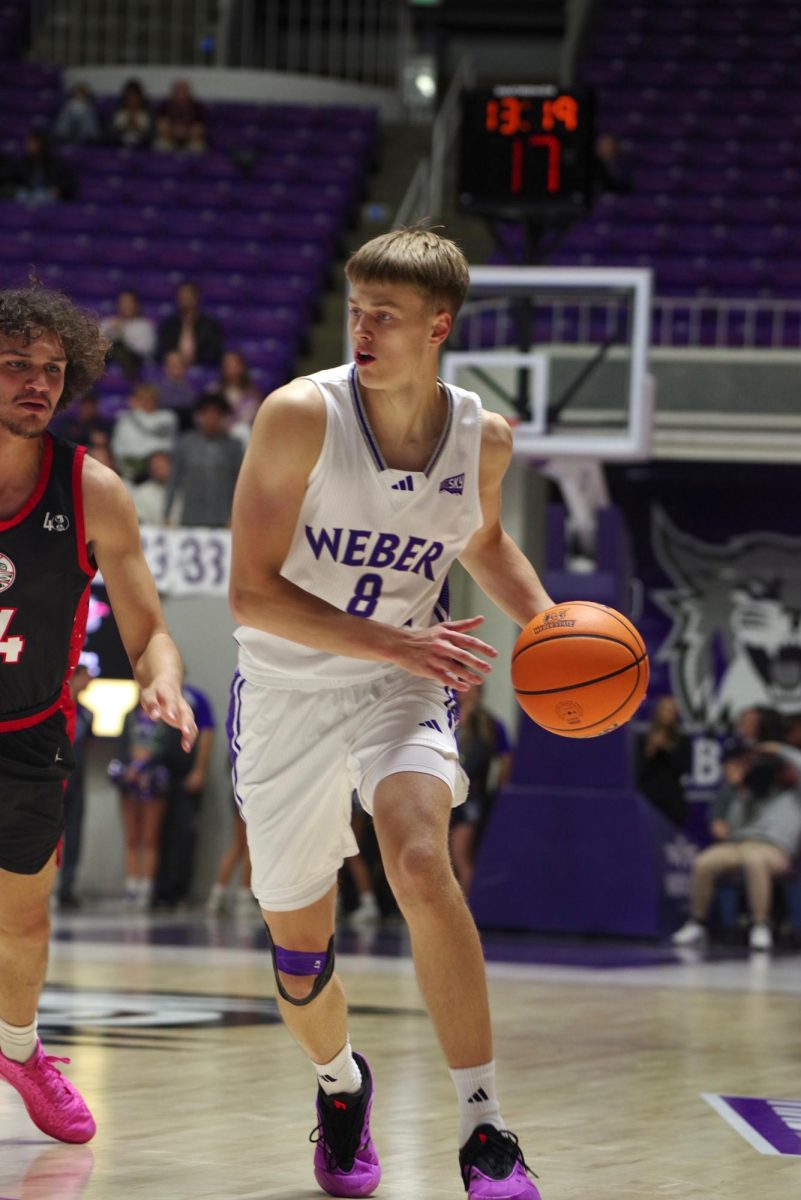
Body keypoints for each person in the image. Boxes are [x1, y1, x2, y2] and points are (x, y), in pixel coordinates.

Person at [228, 227, 552, 1199]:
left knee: (419, 858)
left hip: (400, 684)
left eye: (388, 316)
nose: (362, 329)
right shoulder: (298, 416)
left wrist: (551, 625)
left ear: (439, 326)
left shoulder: (481, 438)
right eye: (356, 308)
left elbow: (483, 540)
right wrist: (405, 640)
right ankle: (340, 1084)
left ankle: (486, 1125)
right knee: (298, 958)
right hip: (287, 691)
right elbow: (249, 595)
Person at [0, 283, 196, 1144]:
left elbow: (149, 627)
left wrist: (160, 677)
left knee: (26, 917)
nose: (36, 384)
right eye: (14, 367)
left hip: (30, 730)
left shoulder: (94, 490)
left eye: (50, 370)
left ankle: (18, 1049)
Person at [672, 729, 801, 953]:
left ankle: (760, 925)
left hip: (775, 848)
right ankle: (697, 923)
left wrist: (778, 750)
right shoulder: (754, 793)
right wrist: (738, 787)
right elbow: (732, 827)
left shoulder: (795, 796)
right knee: (706, 861)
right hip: (741, 843)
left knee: (754, 860)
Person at [108, 698, 177, 909]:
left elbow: (168, 749)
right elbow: (121, 745)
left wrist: (147, 766)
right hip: (129, 781)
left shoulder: (166, 718)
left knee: (149, 837)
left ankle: (146, 888)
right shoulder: (130, 716)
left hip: (154, 781)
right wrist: (130, 769)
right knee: (132, 836)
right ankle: (131, 886)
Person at [153, 679, 216, 909]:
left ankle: (179, 890)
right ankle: (158, 891)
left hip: (185, 776)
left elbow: (208, 732)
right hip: (159, 779)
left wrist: (199, 770)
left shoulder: (195, 698)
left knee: (183, 834)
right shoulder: (154, 694)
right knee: (158, 836)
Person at [450, 682, 514, 898]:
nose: (466, 692)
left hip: (472, 796)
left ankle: (464, 906)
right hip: (444, 794)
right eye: (462, 687)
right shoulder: (448, 717)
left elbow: (506, 759)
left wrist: (499, 790)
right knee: (441, 856)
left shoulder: (490, 724)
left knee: (461, 854)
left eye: (471, 688)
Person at [164, 392, 243, 528]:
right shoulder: (185, 443)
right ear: (199, 416)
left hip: (223, 518)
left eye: (216, 414)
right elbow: (173, 481)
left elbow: (241, 485)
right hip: (190, 517)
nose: (211, 418)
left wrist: (238, 516)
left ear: (224, 417)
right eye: (206, 413)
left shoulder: (234, 446)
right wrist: (166, 514)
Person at [56, 653, 96, 910]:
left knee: (74, 833)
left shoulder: (87, 714)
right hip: (54, 778)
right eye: (85, 676)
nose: (89, 681)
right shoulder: (56, 710)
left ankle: (66, 886)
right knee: (47, 834)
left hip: (77, 780)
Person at [636, 694, 691, 829]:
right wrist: (651, 748)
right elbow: (637, 770)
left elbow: (684, 767)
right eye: (666, 709)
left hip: (672, 800)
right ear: (658, 712)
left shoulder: (682, 740)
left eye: (673, 710)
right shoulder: (643, 739)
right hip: (649, 798)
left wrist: (668, 747)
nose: (669, 714)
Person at [110, 381, 178, 482]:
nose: (148, 402)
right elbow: (117, 446)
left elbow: (165, 441)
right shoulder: (126, 419)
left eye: (151, 398)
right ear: (138, 400)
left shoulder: (167, 417)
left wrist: (136, 412)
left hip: (158, 465)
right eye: (143, 399)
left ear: (157, 400)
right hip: (132, 466)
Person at [156, 282, 223, 369]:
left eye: (188, 295)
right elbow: (161, 351)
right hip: (173, 369)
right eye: (182, 295)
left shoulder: (210, 325)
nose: (185, 298)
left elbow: (215, 353)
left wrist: (196, 357)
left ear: (196, 297)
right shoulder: (170, 324)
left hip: (202, 368)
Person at [205, 794, 253, 916]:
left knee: (238, 845)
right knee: (249, 846)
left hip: (238, 792)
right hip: (248, 793)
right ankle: (244, 899)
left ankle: (216, 897)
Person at [100, 289, 156, 380]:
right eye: (123, 302)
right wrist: (109, 332)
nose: (126, 305)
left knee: (121, 348)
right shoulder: (108, 323)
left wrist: (123, 334)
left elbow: (146, 351)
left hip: (134, 364)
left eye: (129, 302)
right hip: (109, 361)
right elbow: (96, 345)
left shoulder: (145, 326)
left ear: (136, 304)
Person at [14, 128, 77, 204]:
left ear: (41, 144)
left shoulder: (55, 163)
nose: (28, 145)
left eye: (33, 143)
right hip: (28, 194)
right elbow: (15, 180)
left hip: (46, 196)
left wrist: (59, 190)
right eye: (29, 142)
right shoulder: (23, 163)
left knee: (40, 196)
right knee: (22, 194)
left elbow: (70, 183)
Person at [154, 80, 208, 154]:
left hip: (190, 138)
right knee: (160, 144)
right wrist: (172, 130)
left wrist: (187, 131)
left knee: (197, 146)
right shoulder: (164, 106)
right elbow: (160, 125)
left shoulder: (197, 107)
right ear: (173, 93)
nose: (181, 95)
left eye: (184, 92)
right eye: (178, 92)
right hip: (170, 138)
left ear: (189, 93)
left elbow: (201, 127)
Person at [109, 77, 152, 149]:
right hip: (119, 147)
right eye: (129, 97)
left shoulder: (147, 114)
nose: (132, 100)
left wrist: (139, 129)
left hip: (142, 148)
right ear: (125, 98)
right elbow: (110, 134)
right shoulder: (118, 113)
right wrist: (123, 128)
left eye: (135, 97)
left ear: (140, 98)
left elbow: (151, 136)